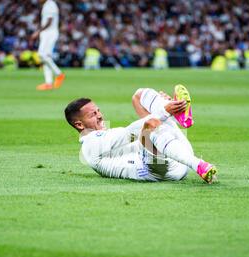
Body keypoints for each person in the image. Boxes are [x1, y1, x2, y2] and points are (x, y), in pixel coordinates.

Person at [64, 85, 217, 183]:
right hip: (155, 171)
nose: (100, 116)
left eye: (98, 111)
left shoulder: (105, 136)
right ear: (79, 124)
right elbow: (130, 133)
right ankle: (199, 165)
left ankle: (179, 113)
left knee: (138, 96)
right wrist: (163, 112)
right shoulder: (90, 145)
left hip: (177, 158)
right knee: (150, 125)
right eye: (92, 114)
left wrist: (163, 108)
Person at [31, 0, 65, 91]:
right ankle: (48, 83)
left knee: (41, 55)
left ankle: (59, 74)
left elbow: (50, 21)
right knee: (46, 58)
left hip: (49, 33)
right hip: (47, 33)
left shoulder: (50, 4)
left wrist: (38, 31)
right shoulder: (47, 4)